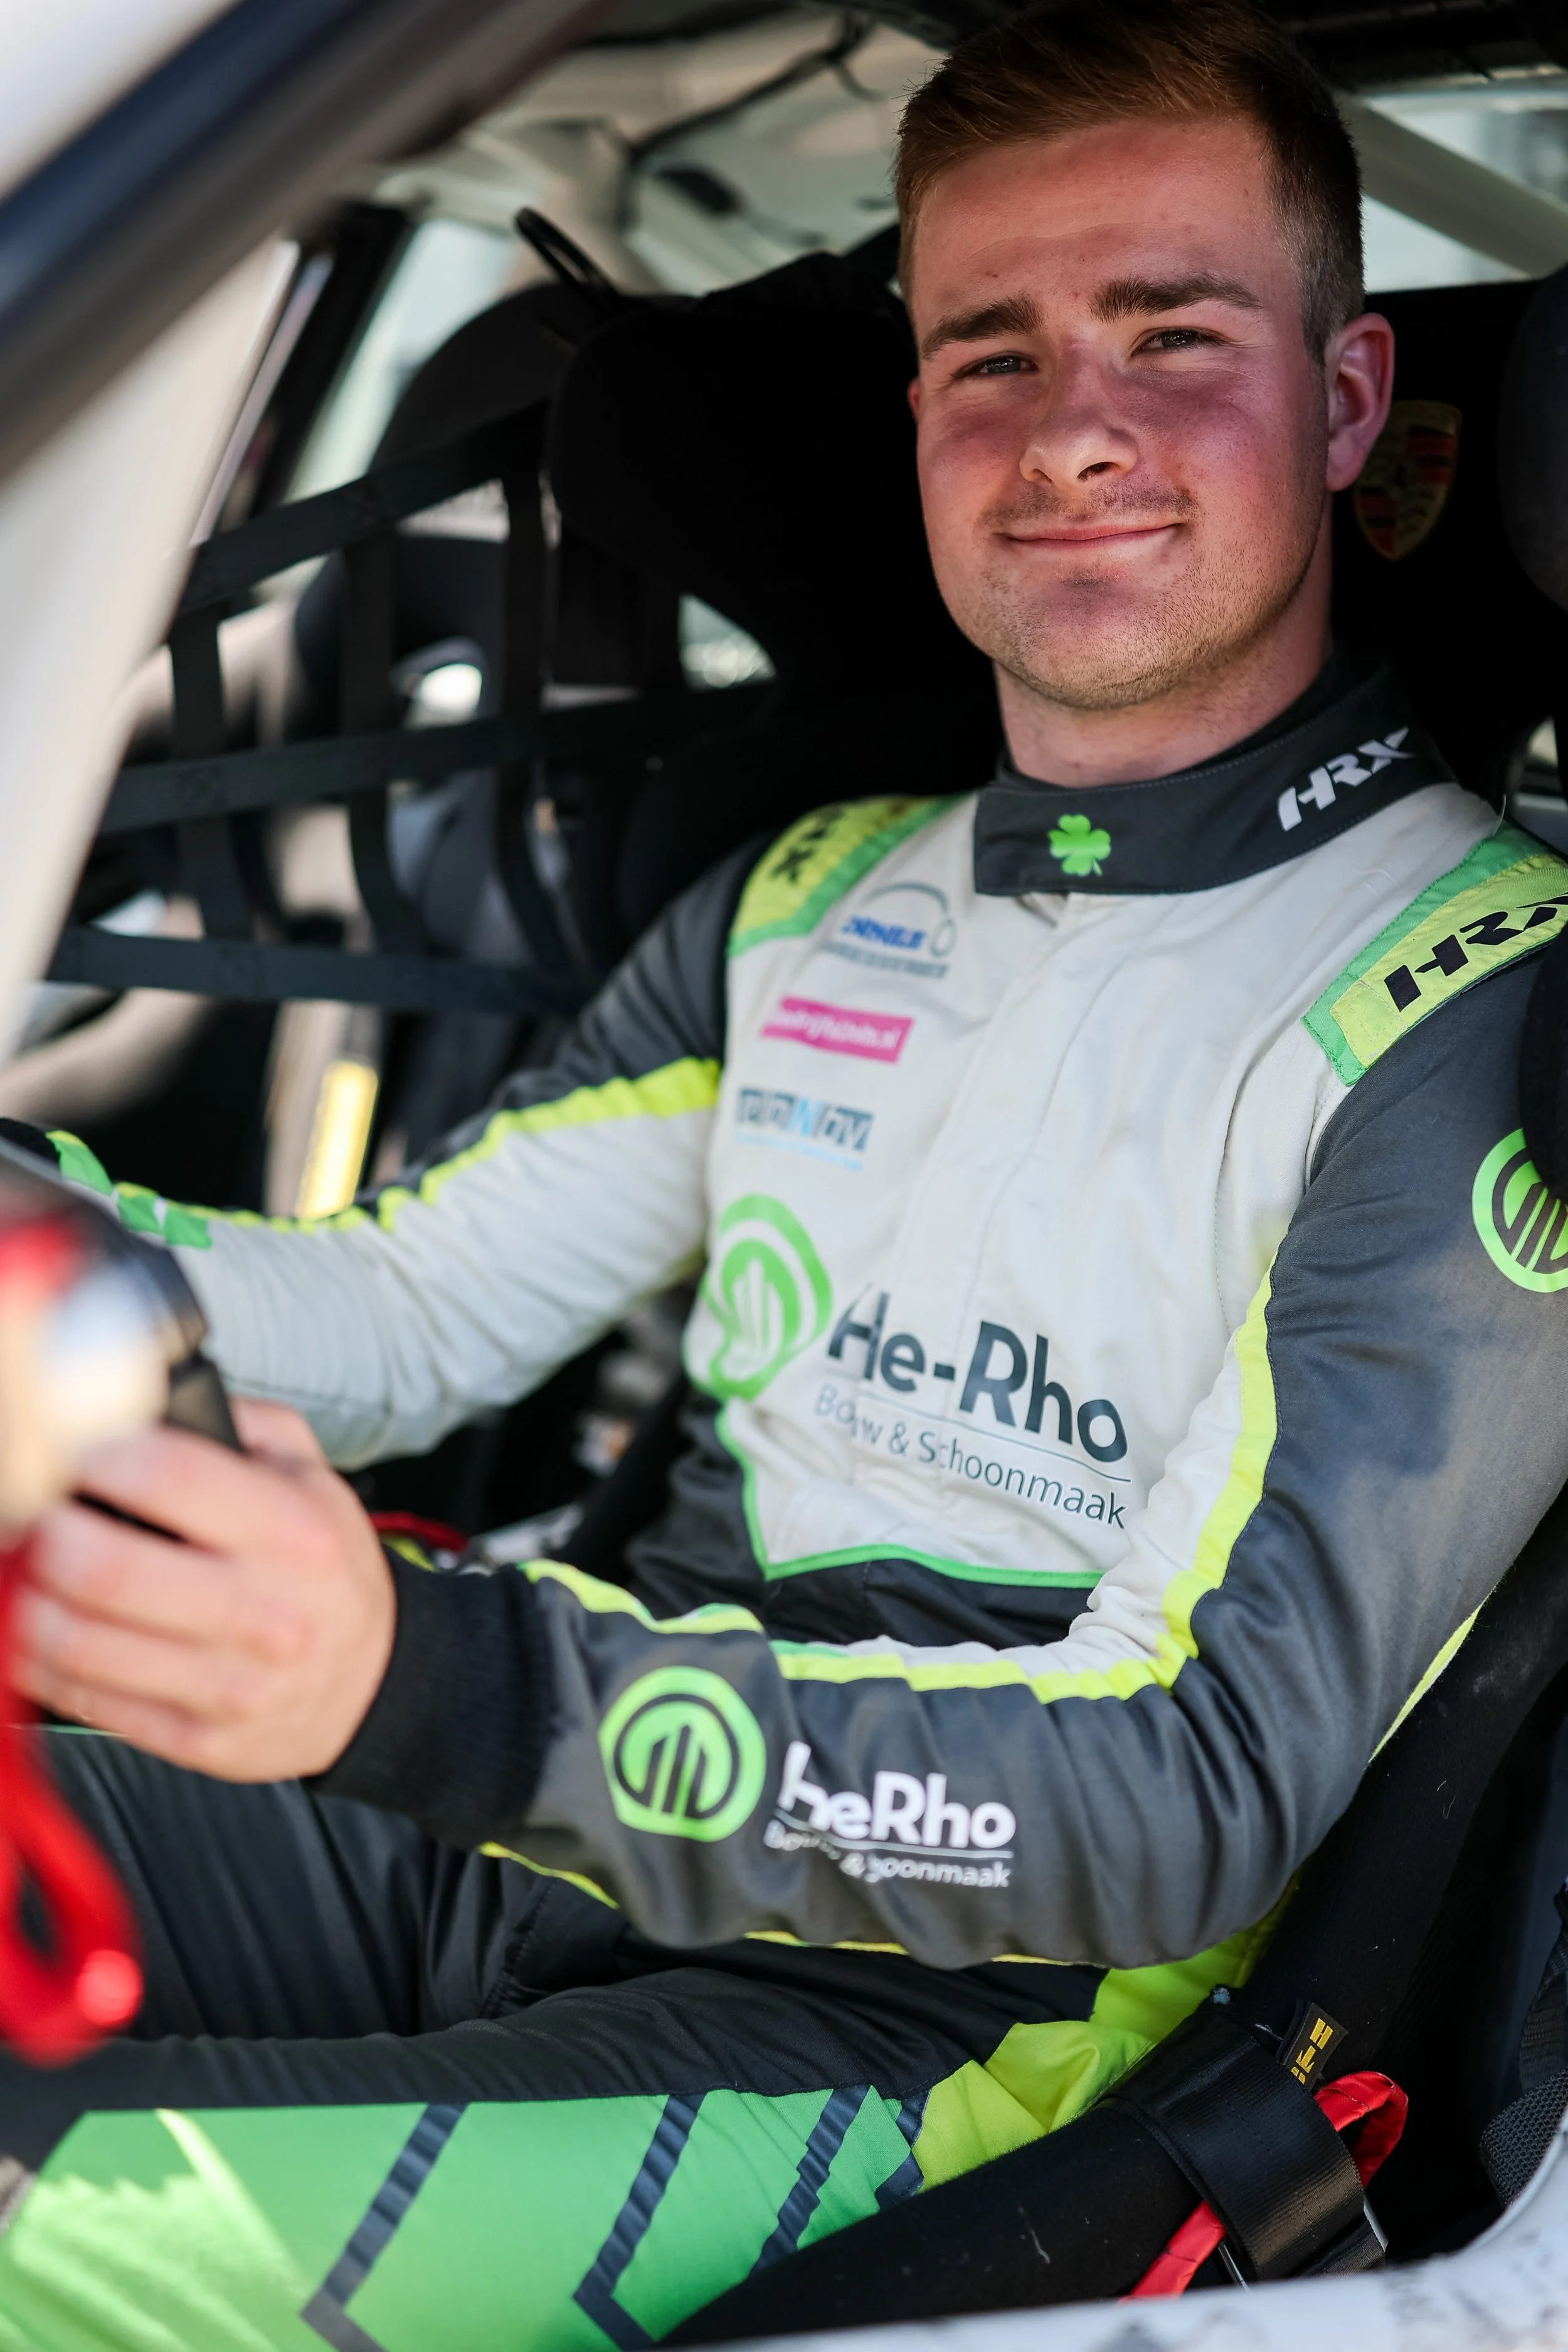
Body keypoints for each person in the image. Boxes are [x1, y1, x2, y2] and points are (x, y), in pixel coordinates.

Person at [5, 2, 1568, 2342]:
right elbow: (413, 1317)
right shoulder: (810, 893)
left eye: (1174, 336)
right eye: (988, 356)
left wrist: (418, 1682)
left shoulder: (1478, 1005)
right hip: (531, 1828)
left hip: (945, 2032)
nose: (1075, 433)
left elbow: (1193, 1794)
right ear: (914, 413)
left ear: (1348, 402)